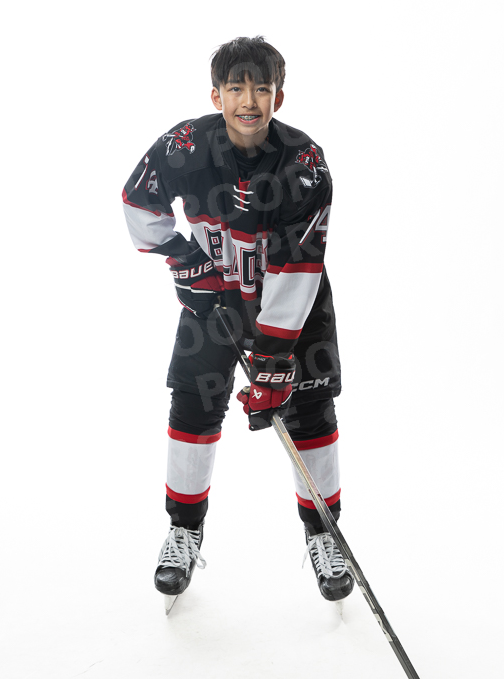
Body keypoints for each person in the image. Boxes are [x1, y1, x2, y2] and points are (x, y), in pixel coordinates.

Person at [122, 36, 353, 604]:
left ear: (279, 96)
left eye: (261, 88)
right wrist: (183, 257)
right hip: (214, 300)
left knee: (309, 412)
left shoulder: (304, 163)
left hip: (296, 308)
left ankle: (324, 533)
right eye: (235, 88)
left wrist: (274, 356)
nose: (248, 101)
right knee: (192, 403)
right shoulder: (184, 146)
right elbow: (138, 202)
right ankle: (184, 529)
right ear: (216, 95)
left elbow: (299, 264)